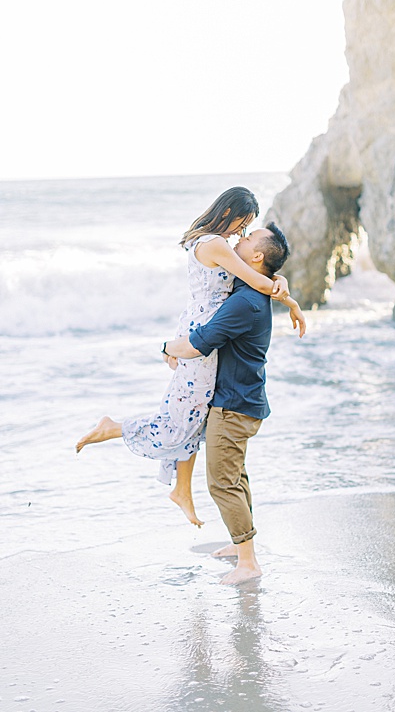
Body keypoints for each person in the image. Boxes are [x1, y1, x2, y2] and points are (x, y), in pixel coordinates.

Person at [75, 187, 305, 528]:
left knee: (194, 415)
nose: (243, 233)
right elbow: (256, 278)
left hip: (200, 326)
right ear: (230, 213)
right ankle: (116, 428)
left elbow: (259, 276)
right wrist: (290, 301)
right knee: (180, 420)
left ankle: (182, 488)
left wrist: (280, 280)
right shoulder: (215, 244)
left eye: (249, 230)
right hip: (202, 339)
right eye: (244, 224)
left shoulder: (208, 241)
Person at [163, 223, 290, 584]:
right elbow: (267, 283)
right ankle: (241, 546)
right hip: (244, 400)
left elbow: (200, 342)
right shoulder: (249, 289)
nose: (238, 239)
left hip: (233, 406)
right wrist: (285, 290)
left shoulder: (244, 302)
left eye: (247, 238)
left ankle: (248, 562)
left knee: (221, 482)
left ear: (257, 257)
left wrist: (166, 347)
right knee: (235, 476)